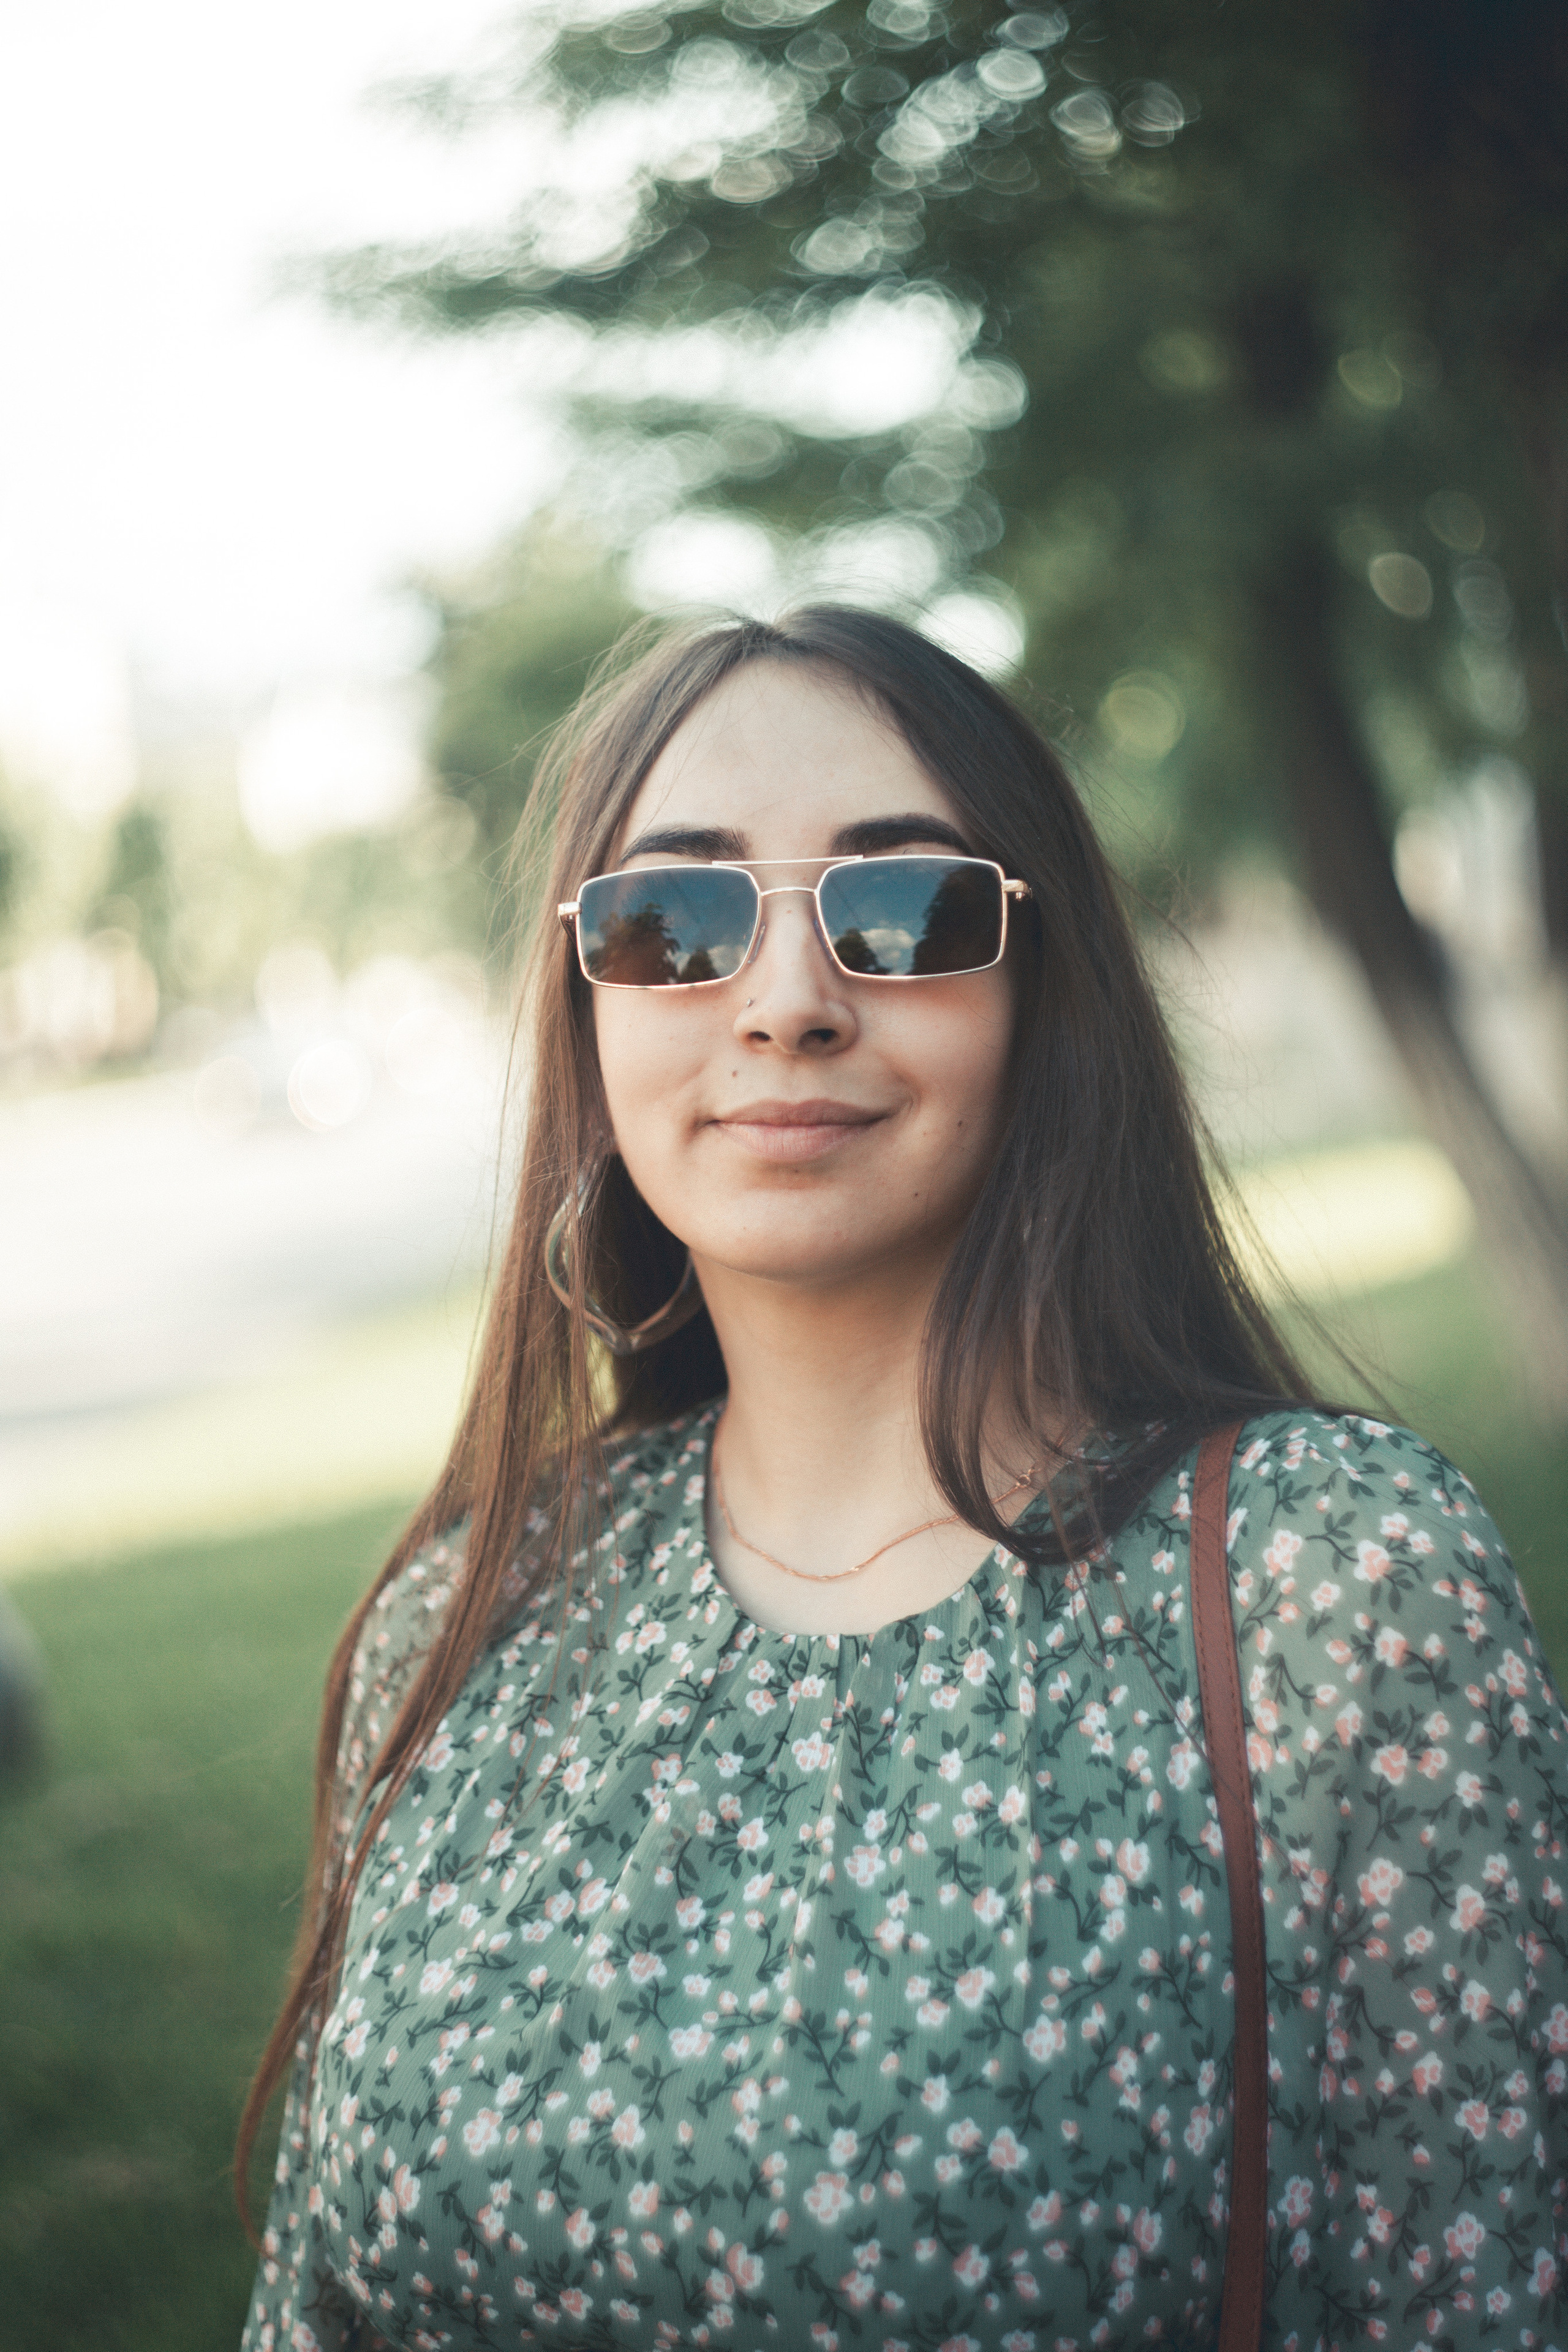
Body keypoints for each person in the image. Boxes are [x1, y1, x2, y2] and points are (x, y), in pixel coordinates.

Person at [238, 607, 1568, 2351]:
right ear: (587, 1008)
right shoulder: (473, 1607)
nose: (786, 1002)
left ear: (1040, 986)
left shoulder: (1334, 1593)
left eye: (907, 910)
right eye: (674, 920)